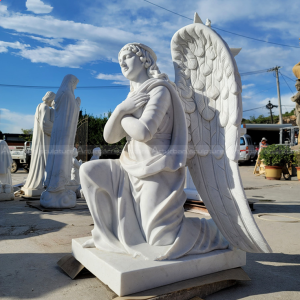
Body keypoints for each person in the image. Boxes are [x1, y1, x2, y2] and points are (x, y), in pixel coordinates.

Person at [80, 43, 228, 261]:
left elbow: (144, 131)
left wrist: (125, 115)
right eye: (119, 59)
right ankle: (107, 234)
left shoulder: (160, 90)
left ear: (145, 60)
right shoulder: (132, 96)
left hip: (158, 168)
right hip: (130, 166)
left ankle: (218, 231)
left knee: (162, 240)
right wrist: (122, 108)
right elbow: (109, 137)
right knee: (89, 171)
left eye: (128, 56)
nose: (122, 62)